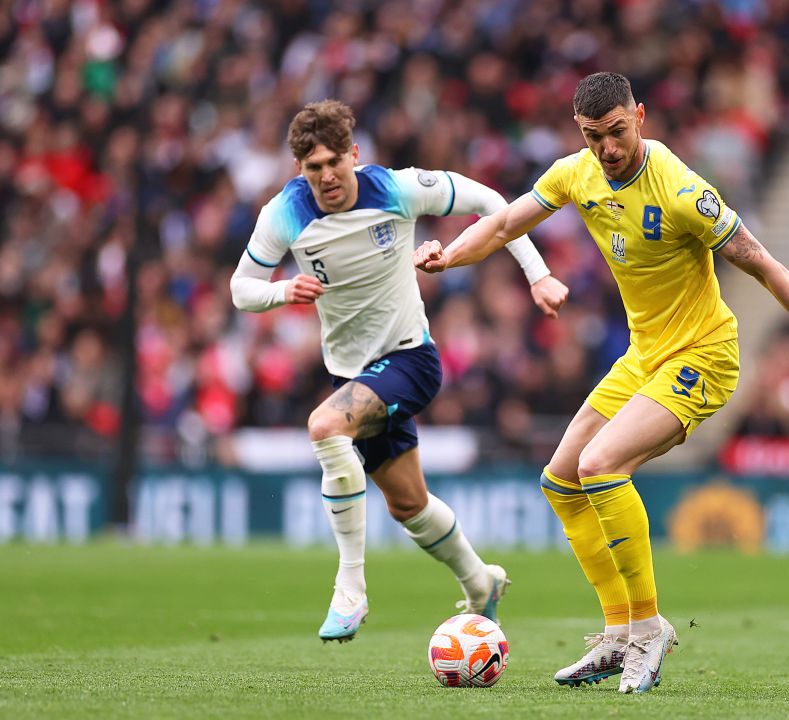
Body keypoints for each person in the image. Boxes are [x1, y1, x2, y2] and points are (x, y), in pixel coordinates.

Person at [415, 72, 789, 693]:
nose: (608, 148)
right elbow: (506, 224)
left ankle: (649, 627)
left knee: (601, 464)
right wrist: (447, 255)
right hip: (645, 357)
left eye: (618, 131)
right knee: (561, 481)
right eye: (595, 137)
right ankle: (618, 632)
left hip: (703, 355)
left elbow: (761, 262)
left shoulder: (679, 190)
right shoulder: (576, 173)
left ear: (639, 115)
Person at [229, 100, 569, 643]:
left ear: (354, 155)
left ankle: (351, 589)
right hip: (353, 376)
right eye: (313, 168)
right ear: (300, 170)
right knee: (408, 506)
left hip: (411, 359)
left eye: (334, 162)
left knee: (324, 427)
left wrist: (537, 273)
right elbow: (240, 288)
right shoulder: (284, 213)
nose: (326, 176)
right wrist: (281, 292)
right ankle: (482, 583)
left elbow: (490, 202)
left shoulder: (397, 188)